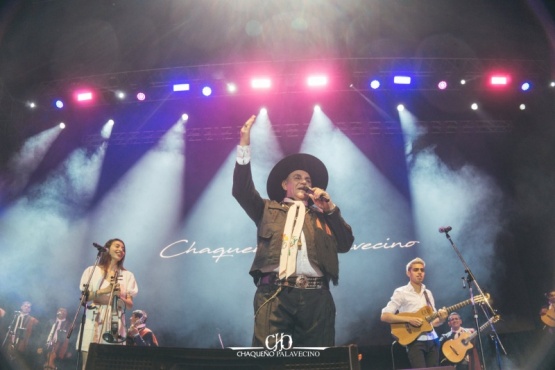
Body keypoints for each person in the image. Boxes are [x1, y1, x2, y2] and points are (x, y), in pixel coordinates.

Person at [232, 115, 355, 348]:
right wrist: (244, 144)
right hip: (274, 294)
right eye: (297, 177)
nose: (303, 181)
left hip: (316, 297)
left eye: (307, 179)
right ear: (284, 185)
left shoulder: (324, 215)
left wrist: (330, 209)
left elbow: (346, 244)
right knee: (270, 359)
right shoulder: (268, 209)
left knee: (316, 359)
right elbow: (241, 190)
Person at [78, 238, 138, 369]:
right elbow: (84, 298)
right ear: (107, 248)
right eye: (117, 246)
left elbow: (129, 305)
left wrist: (119, 296)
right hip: (94, 317)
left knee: (111, 363)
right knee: (88, 362)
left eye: (123, 248)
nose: (121, 250)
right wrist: (104, 291)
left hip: (115, 320)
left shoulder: (127, 275)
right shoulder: (91, 270)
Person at [380, 257, 448, 368]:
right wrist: (408, 319)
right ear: (408, 272)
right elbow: (385, 316)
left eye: (422, 270)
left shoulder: (428, 293)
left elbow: (433, 322)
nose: (420, 272)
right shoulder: (401, 292)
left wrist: (442, 318)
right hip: (415, 341)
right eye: (416, 270)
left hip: (433, 340)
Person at [3, 301, 39, 367]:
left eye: (29, 307)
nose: (26, 308)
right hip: (11, 340)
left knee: (17, 362)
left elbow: (34, 334)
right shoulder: (15, 316)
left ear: (30, 309)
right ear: (21, 307)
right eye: (25, 306)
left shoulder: (32, 320)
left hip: (22, 343)